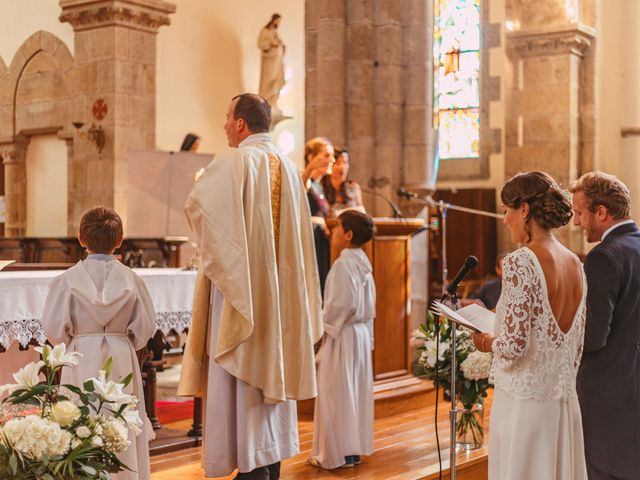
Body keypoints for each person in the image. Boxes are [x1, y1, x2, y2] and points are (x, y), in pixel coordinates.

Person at [177, 93, 323, 479]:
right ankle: (268, 463)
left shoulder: (234, 161)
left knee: (241, 385)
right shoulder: (290, 170)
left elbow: (198, 209)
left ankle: (249, 466)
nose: (224, 125)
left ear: (241, 123)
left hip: (240, 300)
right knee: (269, 387)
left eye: (227, 117)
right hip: (279, 302)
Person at [472, 172, 587, 479]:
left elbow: (512, 345)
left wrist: (484, 341)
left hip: (524, 406)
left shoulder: (521, 261)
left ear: (524, 209)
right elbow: (575, 344)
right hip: (563, 405)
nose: (504, 219)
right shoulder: (575, 262)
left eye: (506, 210)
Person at [41, 207, 156, 480]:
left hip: (80, 354)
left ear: (80, 238)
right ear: (120, 240)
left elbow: (54, 330)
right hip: (121, 354)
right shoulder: (132, 279)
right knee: (121, 419)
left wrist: (75, 339)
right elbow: (144, 328)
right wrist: (123, 339)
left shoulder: (66, 280)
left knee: (81, 418)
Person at [569, 171, 640, 480]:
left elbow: (594, 336)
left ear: (601, 212)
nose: (576, 222)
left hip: (607, 389)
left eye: (579, 213)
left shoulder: (603, 257)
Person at [309, 210, 376, 470]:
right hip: (357, 333)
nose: (332, 232)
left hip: (342, 336)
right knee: (353, 393)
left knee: (335, 393)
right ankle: (351, 451)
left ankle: (335, 455)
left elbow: (339, 305)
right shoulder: (363, 263)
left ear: (348, 235)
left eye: (336, 227)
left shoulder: (343, 264)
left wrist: (320, 332)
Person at [302, 137, 335, 294]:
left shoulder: (319, 186)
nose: (332, 160)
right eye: (327, 155)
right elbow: (298, 191)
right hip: (310, 238)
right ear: (311, 157)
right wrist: (309, 169)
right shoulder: (305, 179)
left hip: (321, 238)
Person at [320, 147, 364, 218]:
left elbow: (362, 214)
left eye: (345, 162)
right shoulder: (320, 188)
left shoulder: (354, 188)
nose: (342, 167)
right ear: (330, 164)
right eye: (338, 163)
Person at [258, 14, 286, 109]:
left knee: (276, 82)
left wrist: (281, 45)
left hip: (277, 62)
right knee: (268, 82)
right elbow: (260, 44)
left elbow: (279, 45)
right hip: (269, 62)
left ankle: (273, 103)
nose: (278, 23)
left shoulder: (275, 32)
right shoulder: (265, 31)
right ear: (273, 20)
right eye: (278, 21)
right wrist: (271, 43)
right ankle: (265, 102)